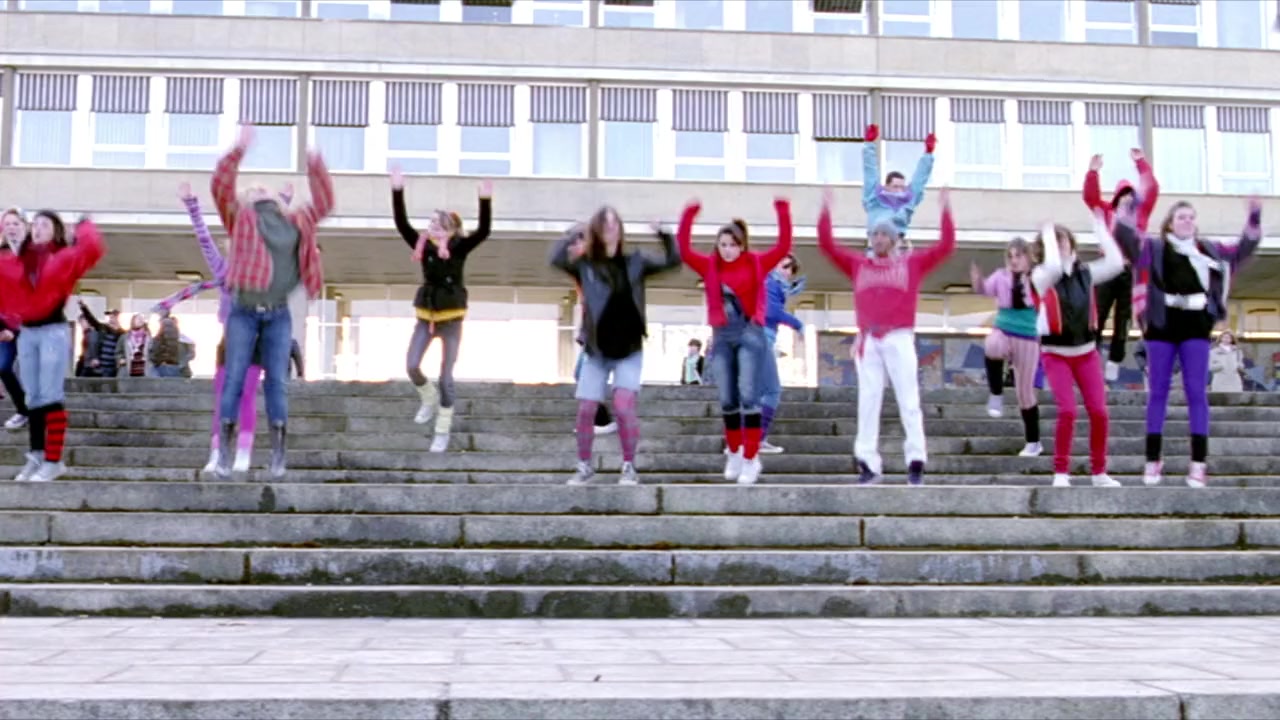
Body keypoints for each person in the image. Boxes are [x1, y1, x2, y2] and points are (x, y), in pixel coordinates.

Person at [210, 124, 333, 479]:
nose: (260, 191)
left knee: (277, 381)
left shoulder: (297, 221)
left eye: (265, 189)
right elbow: (220, 186)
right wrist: (238, 149)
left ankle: (279, 453)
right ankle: (224, 453)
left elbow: (324, 202)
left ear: (280, 199)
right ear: (246, 201)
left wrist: (314, 161)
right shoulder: (240, 219)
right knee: (234, 378)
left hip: (278, 314)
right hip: (243, 313)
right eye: (253, 190)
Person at [1114, 197, 1262, 488]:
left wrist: (1254, 219)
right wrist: (1129, 210)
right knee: (1158, 391)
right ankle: (1153, 459)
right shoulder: (1154, 248)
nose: (1187, 221)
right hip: (1162, 323)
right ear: (1170, 223)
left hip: (1195, 324)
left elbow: (1241, 251)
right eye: (1181, 217)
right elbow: (1125, 238)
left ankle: (1198, 464)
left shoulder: (1208, 250)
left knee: (1196, 391)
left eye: (1191, 217)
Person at [818, 187, 956, 486]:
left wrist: (945, 209)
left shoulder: (911, 264)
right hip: (869, 339)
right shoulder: (859, 265)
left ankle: (916, 459)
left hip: (899, 337)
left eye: (883, 234)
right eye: (874, 234)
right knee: (868, 401)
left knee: (909, 399)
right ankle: (867, 461)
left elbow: (945, 247)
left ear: (894, 239)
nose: (878, 239)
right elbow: (828, 246)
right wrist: (826, 210)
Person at [550, 206, 681, 486]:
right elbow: (556, 259)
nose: (611, 228)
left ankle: (629, 466)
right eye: (605, 224)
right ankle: (584, 466)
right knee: (586, 408)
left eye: (614, 224)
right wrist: (574, 232)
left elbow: (672, 261)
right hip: (597, 350)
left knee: (623, 406)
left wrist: (664, 233)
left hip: (629, 348)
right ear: (596, 230)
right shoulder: (585, 265)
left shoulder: (635, 262)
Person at [678, 199, 793, 485]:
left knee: (748, 394)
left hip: (750, 333)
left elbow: (782, 247)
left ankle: (751, 459)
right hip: (722, 335)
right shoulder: (710, 266)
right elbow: (684, 250)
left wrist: (782, 212)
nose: (727, 250)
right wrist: (689, 215)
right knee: (728, 398)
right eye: (723, 245)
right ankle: (734, 452)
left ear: (741, 245)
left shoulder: (756, 262)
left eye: (732, 245)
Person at [391, 166, 492, 453]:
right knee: (412, 365)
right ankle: (428, 397)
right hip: (426, 316)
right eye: (431, 221)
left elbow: (484, 231)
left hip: (451, 320)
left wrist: (485, 200)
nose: (432, 226)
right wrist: (397, 190)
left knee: (446, 376)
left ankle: (442, 430)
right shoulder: (423, 246)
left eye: (439, 222)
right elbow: (401, 223)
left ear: (451, 228)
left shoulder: (459, 247)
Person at [0, 212, 105, 482]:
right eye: (34, 224)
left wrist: (84, 226)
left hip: (52, 332)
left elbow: (91, 251)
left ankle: (53, 460)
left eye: (44, 225)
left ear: (55, 230)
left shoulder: (63, 258)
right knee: (32, 397)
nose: (37, 229)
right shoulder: (17, 260)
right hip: (27, 333)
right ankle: (36, 455)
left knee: (50, 396)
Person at [1032, 212, 1125, 489]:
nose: (1060, 245)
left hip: (1086, 353)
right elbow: (1054, 266)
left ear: (1072, 243)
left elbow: (1117, 263)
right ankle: (1061, 471)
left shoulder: (1087, 273)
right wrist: (1048, 232)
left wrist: (1099, 225)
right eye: (1055, 242)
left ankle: (1099, 472)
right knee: (1068, 411)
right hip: (1055, 354)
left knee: (1099, 412)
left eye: (1063, 240)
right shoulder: (1041, 275)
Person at [1082, 149, 1159, 381]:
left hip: (1129, 270)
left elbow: (1152, 189)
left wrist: (1141, 163)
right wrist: (1093, 172)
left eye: (1130, 196)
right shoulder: (1106, 212)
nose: (1127, 200)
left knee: (1123, 317)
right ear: (1116, 198)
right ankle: (1093, 355)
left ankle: (1115, 359)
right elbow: (1090, 197)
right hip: (1109, 269)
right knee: (1098, 313)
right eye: (1123, 196)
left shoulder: (1141, 214)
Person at [971, 237, 1041, 457]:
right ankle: (996, 393)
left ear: (1028, 257)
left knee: (1025, 393)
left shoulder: (1037, 277)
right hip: (1004, 327)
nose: (1014, 261)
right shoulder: (1001, 276)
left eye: (1018, 256)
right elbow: (985, 289)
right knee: (992, 345)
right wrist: (977, 281)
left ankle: (1033, 442)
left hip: (1028, 335)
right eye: (1010, 256)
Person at [759, 254, 806, 454]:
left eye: (791, 269)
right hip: (761, 338)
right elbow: (772, 312)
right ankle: (756, 439)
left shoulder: (770, 283)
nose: (787, 272)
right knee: (771, 391)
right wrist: (798, 325)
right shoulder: (770, 283)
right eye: (785, 266)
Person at [861, 123, 937, 241]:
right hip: (877, 240)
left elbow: (919, 179)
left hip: (897, 242)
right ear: (886, 187)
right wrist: (869, 144)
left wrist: (928, 153)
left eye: (902, 187)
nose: (899, 191)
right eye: (895, 186)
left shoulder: (908, 200)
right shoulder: (874, 197)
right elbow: (870, 171)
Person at [0, 208, 29, 429]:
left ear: (24, 226)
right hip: (8, 324)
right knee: (3, 367)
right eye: (7, 224)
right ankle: (23, 410)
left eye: (16, 223)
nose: (11, 228)